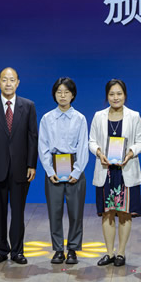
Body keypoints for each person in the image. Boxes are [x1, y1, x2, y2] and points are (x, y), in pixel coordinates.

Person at [0, 67, 38, 265]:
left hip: (21, 168)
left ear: (18, 83)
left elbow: (32, 138)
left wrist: (32, 164)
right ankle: (1, 249)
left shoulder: (28, 106)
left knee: (18, 212)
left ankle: (18, 251)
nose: (8, 83)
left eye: (12, 80)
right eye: (5, 80)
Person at [89, 79, 141, 267]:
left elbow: (140, 142)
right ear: (107, 96)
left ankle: (121, 253)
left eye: (119, 93)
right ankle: (109, 253)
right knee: (107, 213)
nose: (115, 97)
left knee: (125, 213)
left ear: (125, 95)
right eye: (112, 94)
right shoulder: (98, 116)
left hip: (125, 171)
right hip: (106, 171)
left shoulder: (134, 116)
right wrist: (99, 153)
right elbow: (91, 141)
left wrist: (130, 153)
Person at [38, 77, 89, 265]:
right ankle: (58, 249)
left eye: (66, 92)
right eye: (59, 92)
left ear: (72, 95)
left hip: (74, 164)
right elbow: (43, 146)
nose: (62, 96)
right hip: (53, 166)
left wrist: (76, 172)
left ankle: (73, 249)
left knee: (76, 212)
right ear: (54, 95)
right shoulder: (47, 118)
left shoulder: (80, 118)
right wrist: (49, 170)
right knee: (55, 211)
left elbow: (83, 147)